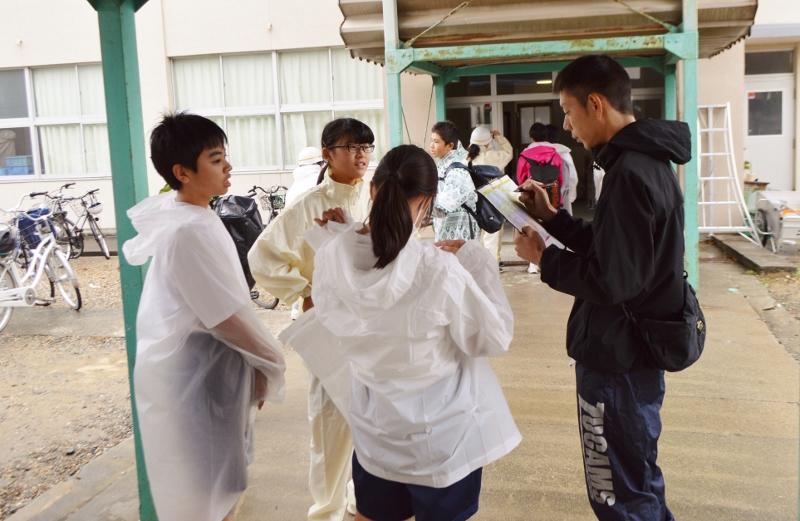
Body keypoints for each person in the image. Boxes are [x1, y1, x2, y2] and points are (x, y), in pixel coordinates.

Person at [284, 144, 520, 521]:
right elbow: (493, 337)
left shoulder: (332, 257)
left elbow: (344, 293)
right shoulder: (440, 269)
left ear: (373, 190)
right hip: (442, 440)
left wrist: (345, 234)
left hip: (376, 436)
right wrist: (476, 261)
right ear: (427, 201)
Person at [514, 55, 689, 521]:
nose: (567, 126)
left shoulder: (629, 173)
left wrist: (544, 259)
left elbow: (614, 280)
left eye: (568, 112)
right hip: (631, 355)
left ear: (595, 104)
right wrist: (555, 220)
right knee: (637, 480)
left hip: (617, 359)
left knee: (617, 492)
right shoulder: (647, 163)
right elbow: (617, 250)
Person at [122, 113, 286, 521]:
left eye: (224, 156)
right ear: (182, 172)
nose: (228, 166)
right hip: (194, 380)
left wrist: (258, 365)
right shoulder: (188, 231)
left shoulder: (194, 216)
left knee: (218, 489)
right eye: (215, 159)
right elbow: (225, 316)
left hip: (205, 372)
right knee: (206, 496)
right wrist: (271, 360)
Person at [248, 117, 374, 521]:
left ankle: (360, 501)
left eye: (366, 147)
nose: (360, 155)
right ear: (327, 154)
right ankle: (326, 510)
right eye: (350, 147)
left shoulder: (373, 196)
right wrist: (303, 292)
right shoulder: (309, 205)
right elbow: (261, 256)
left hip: (372, 325)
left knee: (371, 417)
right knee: (330, 420)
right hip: (328, 328)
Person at [521, 122, 580, 274]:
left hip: (532, 197)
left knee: (534, 226)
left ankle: (534, 263)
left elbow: (521, 179)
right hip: (555, 196)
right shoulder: (559, 153)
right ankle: (558, 257)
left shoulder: (525, 154)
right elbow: (568, 178)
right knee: (557, 226)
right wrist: (566, 196)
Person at [286, 146, 325, 320]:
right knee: (317, 283)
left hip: (294, 239)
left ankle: (296, 311)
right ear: (320, 163)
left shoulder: (294, 186)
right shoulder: (319, 182)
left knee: (302, 280)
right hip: (314, 238)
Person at [467, 125, 513, 263]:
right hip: (494, 200)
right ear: (488, 142)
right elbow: (509, 151)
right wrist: (499, 137)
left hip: (474, 200)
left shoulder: (467, 158)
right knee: (493, 234)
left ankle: (481, 262)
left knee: (477, 233)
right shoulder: (494, 156)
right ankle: (493, 262)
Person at [429, 121, 478, 241]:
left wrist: (415, 207)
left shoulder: (457, 170)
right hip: (448, 233)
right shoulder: (445, 164)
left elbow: (442, 208)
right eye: (432, 140)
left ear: (450, 145)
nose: (431, 145)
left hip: (460, 236)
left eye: (436, 142)